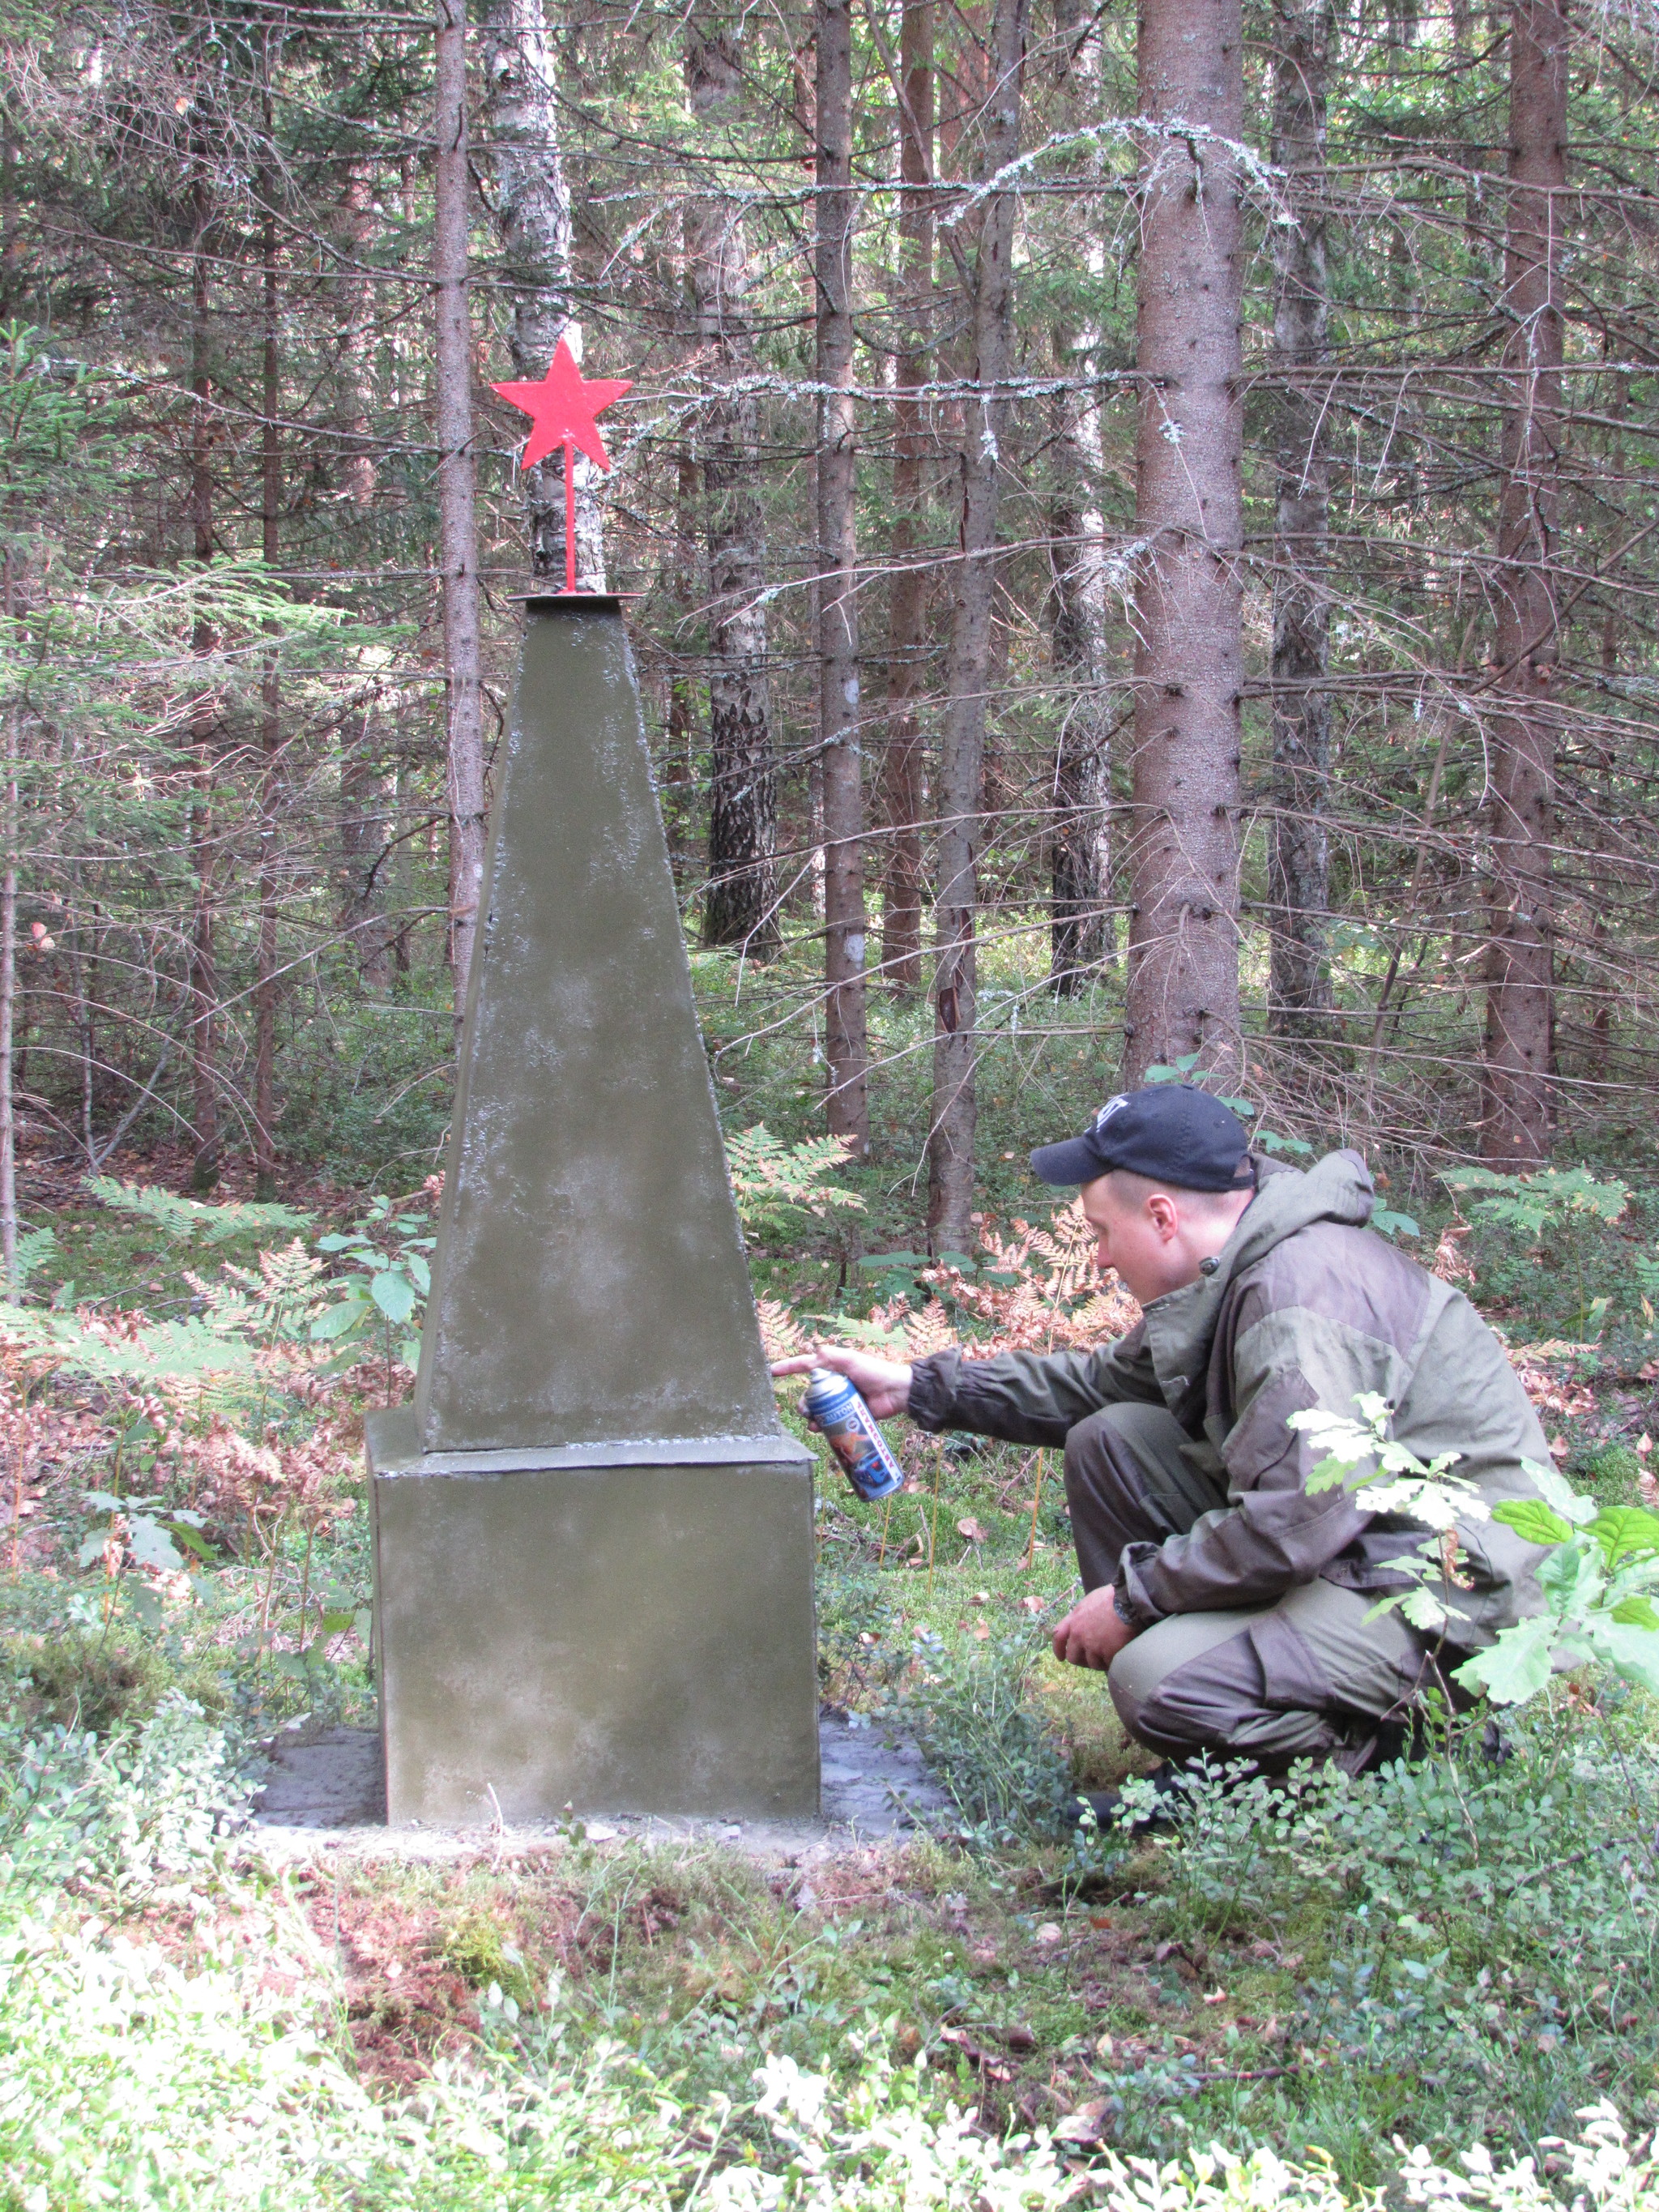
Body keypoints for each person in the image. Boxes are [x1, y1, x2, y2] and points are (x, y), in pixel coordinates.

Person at [774, 1085, 1551, 1786]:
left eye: (1102, 1233)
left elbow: (1293, 1524)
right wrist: (918, 1386)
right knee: (1111, 1438)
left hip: (1449, 1594)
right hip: (1359, 1540)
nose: (1102, 1257)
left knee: (1156, 1679)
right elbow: (1096, 1389)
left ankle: (1384, 1761)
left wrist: (1135, 1600)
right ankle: (1236, 1723)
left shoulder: (1295, 1298)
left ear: (1162, 1217)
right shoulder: (1232, 1267)